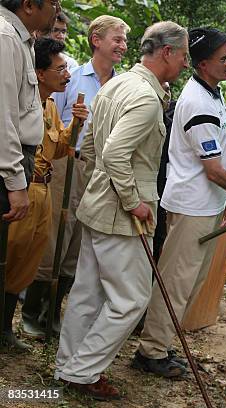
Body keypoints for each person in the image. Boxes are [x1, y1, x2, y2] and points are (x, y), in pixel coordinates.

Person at [132, 27, 226, 377]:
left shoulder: (212, 93)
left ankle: (164, 345)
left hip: (209, 206)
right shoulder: (198, 103)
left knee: (190, 281)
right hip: (191, 207)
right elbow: (213, 169)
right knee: (175, 280)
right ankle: (150, 351)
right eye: (224, 58)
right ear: (203, 64)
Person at [54, 21, 189, 400]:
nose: (183, 64)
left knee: (88, 293)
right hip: (123, 213)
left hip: (100, 204)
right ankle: (81, 371)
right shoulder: (145, 97)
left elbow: (94, 148)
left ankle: (69, 366)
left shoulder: (116, 84)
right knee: (130, 300)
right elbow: (113, 153)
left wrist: (102, 188)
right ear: (166, 52)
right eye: (183, 56)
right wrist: (134, 203)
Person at [22, 15, 130, 337]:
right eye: (117, 39)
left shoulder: (122, 85)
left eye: (125, 41)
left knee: (80, 240)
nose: (122, 46)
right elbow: (50, 123)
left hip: (103, 170)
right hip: (69, 164)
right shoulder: (73, 77)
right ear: (96, 40)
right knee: (56, 234)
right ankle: (32, 309)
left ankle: (54, 311)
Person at [6, 38, 87, 346]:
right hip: (24, 188)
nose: (67, 75)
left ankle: (6, 330)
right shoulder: (23, 105)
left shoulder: (51, 106)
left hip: (43, 190)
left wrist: (76, 125)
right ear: (40, 73)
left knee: (28, 258)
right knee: (12, 253)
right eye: (61, 68)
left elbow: (59, 148)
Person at [0, 0, 59, 349]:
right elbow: (4, 116)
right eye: (52, 2)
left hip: (20, 157)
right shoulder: (6, 37)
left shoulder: (22, 38)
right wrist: (15, 180)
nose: (57, 9)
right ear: (28, 5)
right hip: (11, 160)